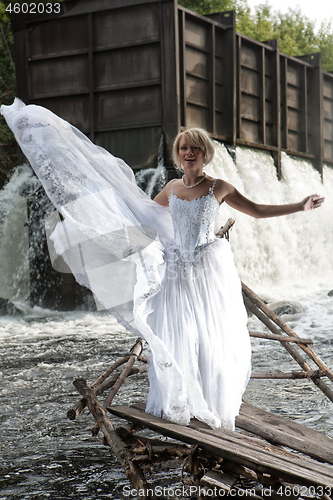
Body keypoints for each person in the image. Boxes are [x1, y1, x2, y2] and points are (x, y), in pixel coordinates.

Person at [1, 100, 324, 431]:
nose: (189, 153)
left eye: (195, 148)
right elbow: (145, 218)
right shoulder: (171, 187)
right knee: (175, 332)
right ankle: (180, 397)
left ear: (205, 154)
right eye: (184, 148)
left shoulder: (219, 187)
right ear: (178, 153)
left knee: (207, 335)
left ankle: (209, 399)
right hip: (173, 269)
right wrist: (92, 225)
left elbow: (256, 210)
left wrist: (300, 205)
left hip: (206, 270)